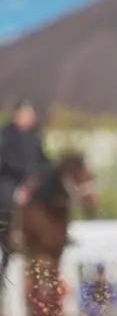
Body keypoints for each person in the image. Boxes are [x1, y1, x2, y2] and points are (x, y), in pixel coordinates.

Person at [0, 100, 51, 241]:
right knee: (6, 197)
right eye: (24, 115)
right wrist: (24, 171)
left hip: (33, 179)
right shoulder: (6, 135)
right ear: (16, 116)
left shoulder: (35, 136)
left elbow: (41, 157)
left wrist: (50, 167)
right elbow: (5, 159)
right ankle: (5, 231)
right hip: (11, 178)